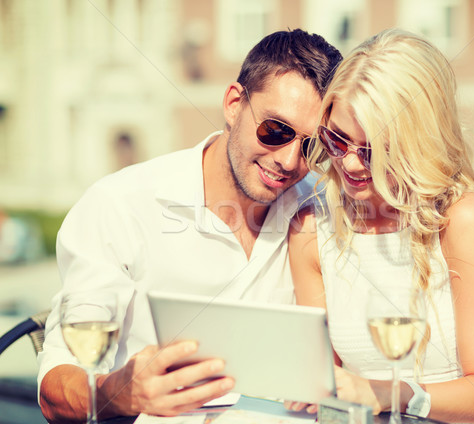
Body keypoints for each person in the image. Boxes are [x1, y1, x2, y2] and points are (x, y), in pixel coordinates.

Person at [38, 29, 342, 423]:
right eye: (276, 130)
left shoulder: (324, 206)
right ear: (234, 104)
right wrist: (119, 392)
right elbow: (54, 392)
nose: (288, 160)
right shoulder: (121, 204)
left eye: (311, 146)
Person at [288, 29, 474, 423]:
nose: (352, 164)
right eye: (337, 140)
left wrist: (386, 394)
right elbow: (326, 384)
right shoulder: (311, 231)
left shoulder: (460, 219)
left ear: (416, 144)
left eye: (375, 149)